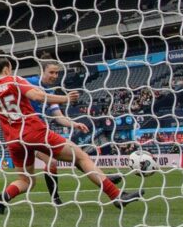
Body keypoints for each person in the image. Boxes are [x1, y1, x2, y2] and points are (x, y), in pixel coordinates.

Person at [0, 52, 143, 214]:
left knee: (25, 180)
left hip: (14, 141)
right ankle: (116, 196)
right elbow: (38, 96)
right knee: (81, 157)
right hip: (34, 131)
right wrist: (65, 98)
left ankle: (3, 198)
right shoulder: (15, 80)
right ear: (8, 67)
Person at [24, 58, 122, 205]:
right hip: (26, 133)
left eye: (57, 73)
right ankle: (56, 198)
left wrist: (74, 124)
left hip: (41, 132)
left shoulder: (51, 93)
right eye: (51, 72)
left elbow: (59, 117)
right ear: (41, 71)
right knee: (56, 160)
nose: (55, 76)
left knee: (74, 155)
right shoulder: (29, 82)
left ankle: (101, 180)